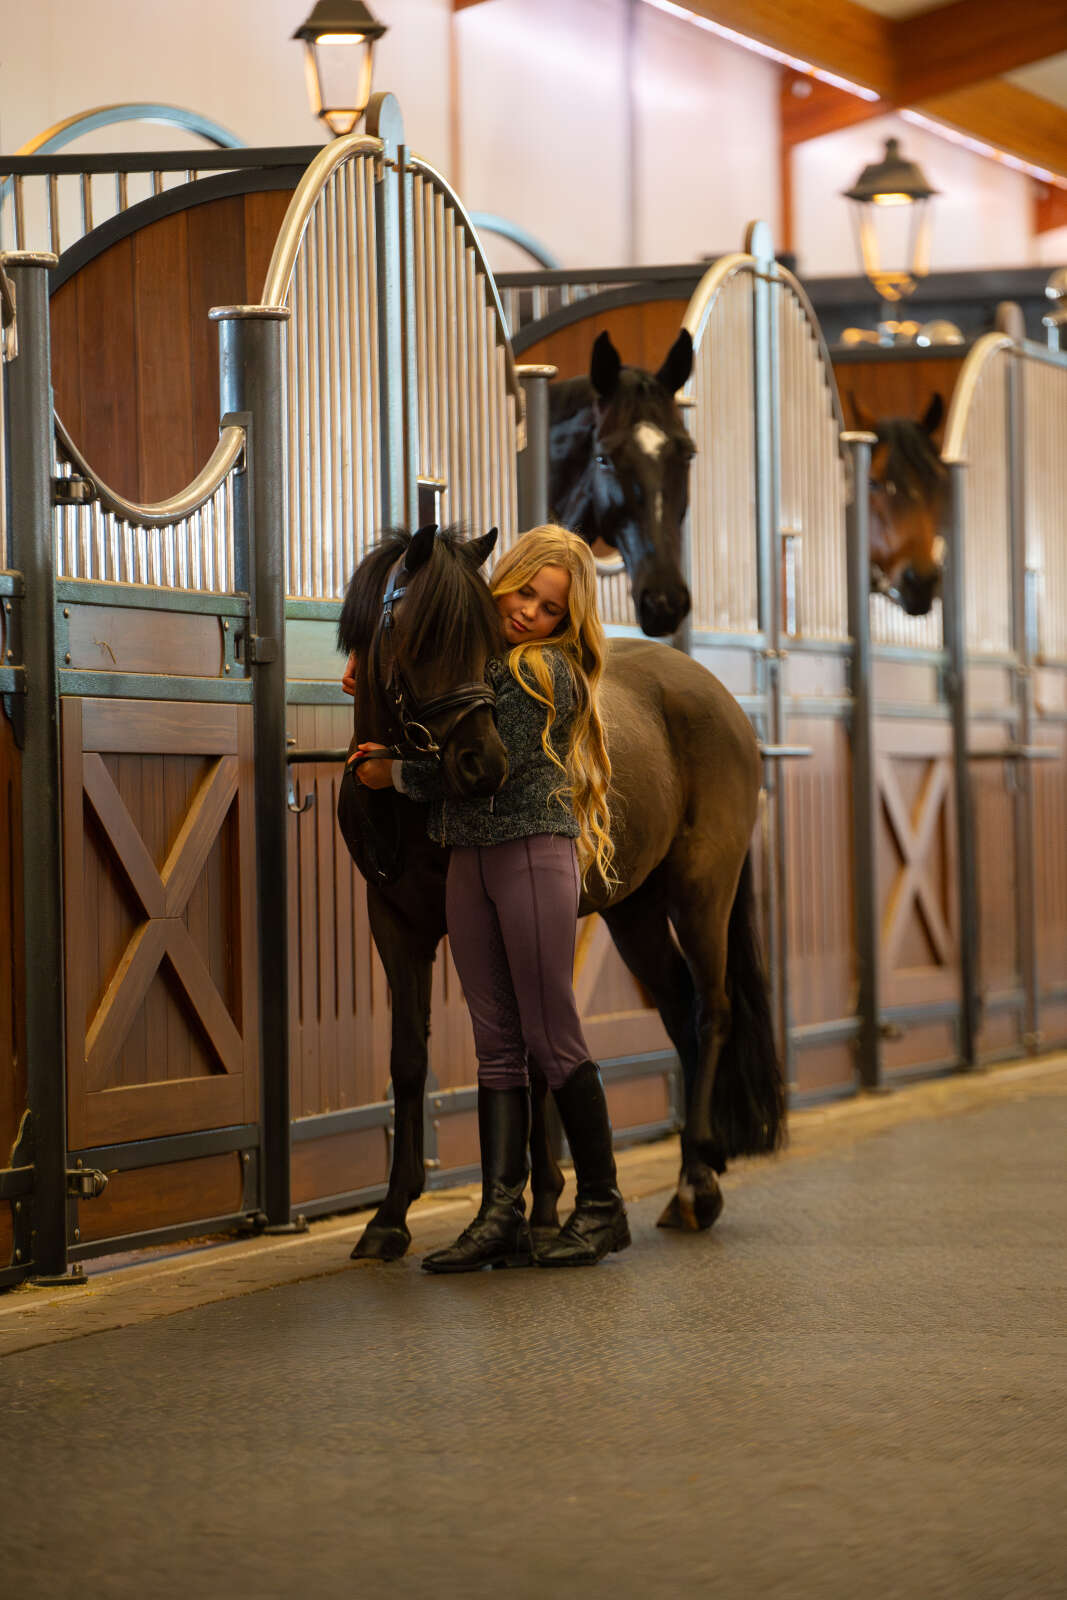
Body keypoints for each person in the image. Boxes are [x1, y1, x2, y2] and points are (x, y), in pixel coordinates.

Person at [352, 524, 628, 1273]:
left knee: (550, 1032)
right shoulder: (483, 656)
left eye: (549, 608)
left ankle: (601, 1206)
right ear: (501, 579)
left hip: (531, 853)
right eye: (525, 592)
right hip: (470, 857)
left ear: (564, 624)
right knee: (495, 1042)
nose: (531, 614)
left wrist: (395, 776)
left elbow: (478, 768)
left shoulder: (539, 671)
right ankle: (498, 1212)